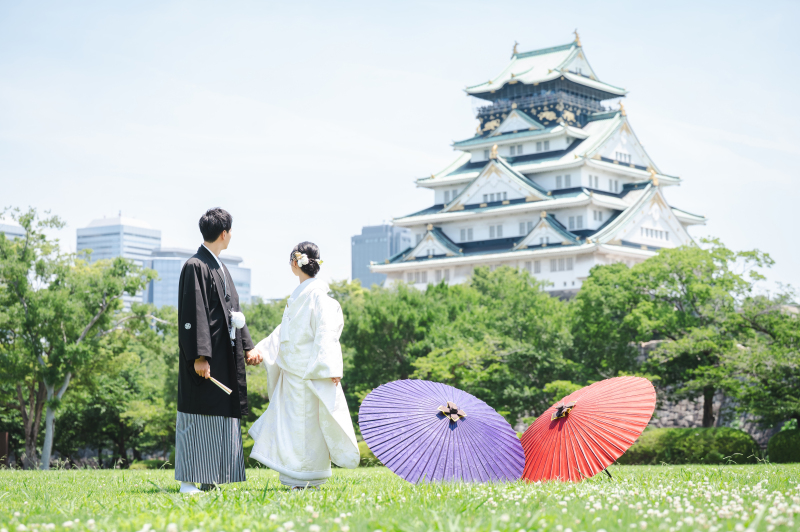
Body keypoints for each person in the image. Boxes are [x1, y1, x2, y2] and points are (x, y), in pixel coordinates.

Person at [249, 242, 360, 488]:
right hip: (293, 374)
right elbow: (283, 333)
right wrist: (260, 349)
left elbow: (326, 332)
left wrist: (329, 367)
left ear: (294, 264)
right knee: (292, 427)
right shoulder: (300, 298)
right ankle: (292, 476)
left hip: (309, 374)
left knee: (308, 427)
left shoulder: (318, 298)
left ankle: (309, 475)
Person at [175, 208, 263, 494]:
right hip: (205, 360)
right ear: (224, 233)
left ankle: (210, 478)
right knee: (198, 415)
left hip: (225, 355)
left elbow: (234, 312)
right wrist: (200, 356)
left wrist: (248, 346)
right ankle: (188, 482)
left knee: (220, 415)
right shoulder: (195, 265)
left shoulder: (221, 268)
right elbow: (194, 312)